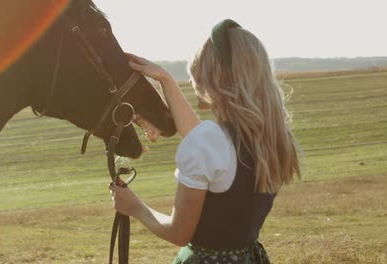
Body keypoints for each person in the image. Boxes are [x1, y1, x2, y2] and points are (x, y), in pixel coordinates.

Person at [109, 19, 302, 263]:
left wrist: (134, 207)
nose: (191, 82)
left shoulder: (209, 142)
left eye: (196, 73)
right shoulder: (271, 138)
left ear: (214, 78)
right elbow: (206, 145)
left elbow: (179, 233)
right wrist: (165, 80)